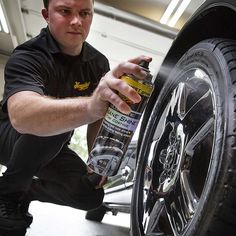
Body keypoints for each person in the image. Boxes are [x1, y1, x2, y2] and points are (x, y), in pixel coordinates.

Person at [0, 0, 151, 234]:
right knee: (53, 127)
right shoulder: (29, 55)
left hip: (53, 145)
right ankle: (7, 195)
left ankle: (27, 190)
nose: (76, 21)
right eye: (65, 11)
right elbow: (22, 116)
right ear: (46, 15)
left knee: (90, 195)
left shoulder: (97, 63)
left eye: (84, 13)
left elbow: (97, 118)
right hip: (8, 136)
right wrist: (91, 105)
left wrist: (96, 160)